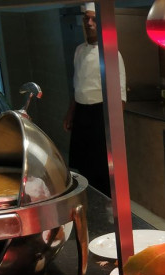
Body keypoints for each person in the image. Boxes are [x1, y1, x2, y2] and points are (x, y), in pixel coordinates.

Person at [63, 2, 126, 197]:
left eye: (93, 19)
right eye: (86, 19)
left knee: (102, 167)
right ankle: (89, 200)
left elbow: (120, 94)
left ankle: (107, 204)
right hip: (82, 113)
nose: (89, 23)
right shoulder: (79, 51)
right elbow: (78, 86)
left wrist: (114, 127)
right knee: (83, 164)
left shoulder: (111, 53)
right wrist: (71, 113)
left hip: (101, 114)